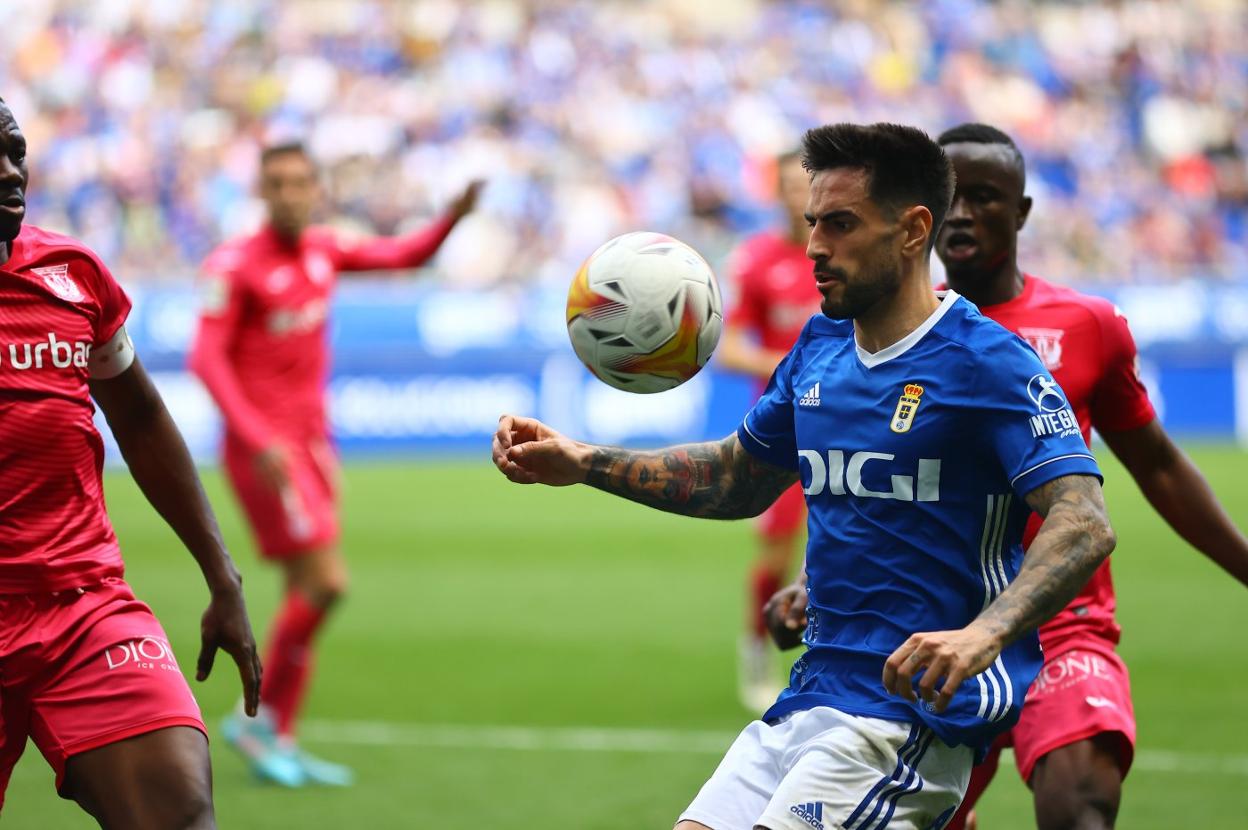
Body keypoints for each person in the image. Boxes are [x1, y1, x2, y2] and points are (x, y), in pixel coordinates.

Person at [493, 122, 1118, 830]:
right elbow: (738, 475)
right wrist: (583, 462)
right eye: (815, 221)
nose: (816, 244)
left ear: (914, 231)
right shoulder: (820, 348)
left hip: (903, 718)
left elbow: (1083, 520)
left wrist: (982, 635)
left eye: (841, 224)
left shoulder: (987, 363)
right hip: (810, 699)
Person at [768, 123, 1248, 830]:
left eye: (986, 198)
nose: (964, 214)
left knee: (1077, 799)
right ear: (917, 220)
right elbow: (867, 485)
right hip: (928, 634)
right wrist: (814, 587)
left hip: (1059, 624)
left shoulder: (1085, 326)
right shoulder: (865, 334)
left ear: (1021, 212)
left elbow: (1159, 467)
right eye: (954, 197)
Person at [0, 99, 261, 827]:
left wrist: (222, 574)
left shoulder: (72, 274)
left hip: (83, 609)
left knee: (181, 814)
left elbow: (140, 415)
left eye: (15, 150)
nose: (9, 169)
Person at [188, 141, 482, 787]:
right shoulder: (235, 265)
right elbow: (205, 360)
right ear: (262, 192)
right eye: (278, 183)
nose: (290, 194)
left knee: (304, 589)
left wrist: (453, 217)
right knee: (327, 582)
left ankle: (275, 732)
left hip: (313, 446)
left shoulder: (323, 249)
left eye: (301, 182)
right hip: (265, 452)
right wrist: (257, 436)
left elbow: (406, 255)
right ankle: (251, 719)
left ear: (316, 188)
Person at [718, 150, 824, 713]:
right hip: (783, 431)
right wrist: (790, 366)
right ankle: (756, 651)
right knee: (777, 553)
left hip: (847, 425)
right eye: (785, 185)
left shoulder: (843, 250)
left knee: (846, 549)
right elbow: (730, 349)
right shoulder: (758, 260)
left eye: (803, 185)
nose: (795, 196)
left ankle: (834, 662)